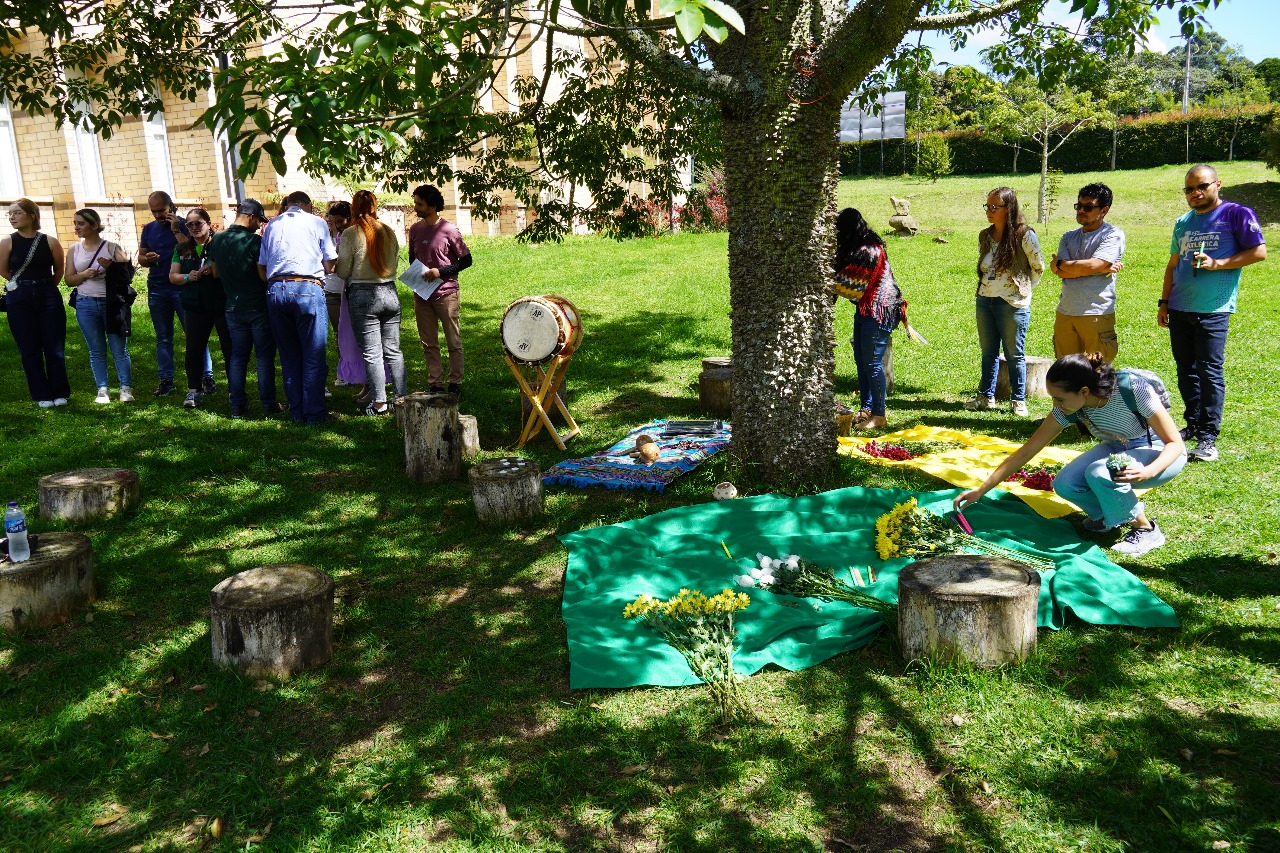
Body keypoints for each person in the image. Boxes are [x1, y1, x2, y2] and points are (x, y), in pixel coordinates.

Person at [955, 353, 1187, 557]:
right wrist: (981, 490)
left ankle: (1146, 530)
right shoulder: (1071, 407)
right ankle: (1109, 516)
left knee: (1098, 473)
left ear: (1084, 391)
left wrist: (1149, 471)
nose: (1056, 404)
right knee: (1065, 483)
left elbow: (1175, 443)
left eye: (1059, 398)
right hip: (1118, 446)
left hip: (1160, 453)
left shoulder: (1132, 389)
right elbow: (1027, 450)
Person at [1159, 164, 1267, 463]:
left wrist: (1218, 264)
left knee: (1209, 371)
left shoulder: (1236, 214)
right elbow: (1172, 266)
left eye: (1202, 186)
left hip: (1213, 309)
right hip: (1180, 306)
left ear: (1218, 184)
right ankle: (1193, 423)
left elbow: (1259, 252)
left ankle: (1208, 437)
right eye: (1189, 189)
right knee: (1186, 370)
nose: (1195, 193)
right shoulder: (1183, 221)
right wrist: (1164, 302)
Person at [257, 190, 336, 425]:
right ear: (307, 205)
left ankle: (297, 412)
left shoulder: (271, 225)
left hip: (275, 289)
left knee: (289, 355)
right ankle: (315, 414)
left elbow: (261, 267)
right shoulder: (317, 222)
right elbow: (330, 264)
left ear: (288, 205)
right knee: (313, 354)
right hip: (307, 288)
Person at [966, 187, 1043, 417]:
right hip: (985, 300)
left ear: (1008, 209)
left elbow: (1038, 266)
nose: (989, 211)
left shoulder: (1024, 235)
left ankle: (1017, 400)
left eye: (994, 207)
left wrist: (1024, 291)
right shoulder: (985, 235)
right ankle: (985, 397)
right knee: (988, 352)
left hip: (1012, 303)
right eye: (987, 206)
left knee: (1014, 354)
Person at [208, 198, 285, 419]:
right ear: (251, 217)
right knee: (264, 358)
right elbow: (265, 274)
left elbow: (215, 273)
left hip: (232, 307)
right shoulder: (254, 242)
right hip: (258, 306)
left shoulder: (217, 239)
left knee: (238, 358)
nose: (260, 226)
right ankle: (268, 405)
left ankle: (237, 407)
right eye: (259, 221)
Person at [832, 207, 905, 431]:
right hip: (867, 308)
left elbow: (849, 286)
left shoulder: (869, 250)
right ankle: (867, 408)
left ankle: (879, 416)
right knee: (862, 361)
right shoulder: (860, 246)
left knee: (872, 363)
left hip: (880, 309)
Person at [336, 190, 407, 416]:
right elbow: (394, 262)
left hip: (362, 295)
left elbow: (343, 270)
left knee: (372, 352)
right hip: (389, 290)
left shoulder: (350, 234)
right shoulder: (388, 231)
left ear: (354, 209)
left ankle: (379, 402)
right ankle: (401, 398)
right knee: (394, 350)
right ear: (375, 207)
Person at [137, 190, 212, 397]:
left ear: (171, 206)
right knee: (163, 337)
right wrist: (148, 259)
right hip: (158, 287)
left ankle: (206, 376)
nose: (158, 215)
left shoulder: (188, 225)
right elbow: (141, 257)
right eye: (154, 212)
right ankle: (166, 380)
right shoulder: (149, 230)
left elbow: (191, 251)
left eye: (161, 210)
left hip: (183, 288)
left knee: (195, 335)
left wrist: (176, 229)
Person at [0, 199, 69, 407]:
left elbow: (58, 270)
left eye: (17, 213)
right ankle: (41, 394)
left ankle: (60, 392)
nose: (12, 217)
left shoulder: (50, 241)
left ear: (32, 216)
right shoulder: (7, 242)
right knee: (28, 347)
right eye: (9, 214)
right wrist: (21, 286)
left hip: (48, 296)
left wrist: (45, 287)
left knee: (54, 347)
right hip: (19, 299)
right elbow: (3, 270)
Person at [407, 184, 472, 395]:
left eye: (420, 203)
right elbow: (412, 257)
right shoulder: (415, 230)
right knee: (428, 342)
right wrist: (415, 275)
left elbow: (466, 260)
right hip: (422, 293)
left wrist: (440, 271)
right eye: (415, 202)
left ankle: (456, 383)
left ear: (433, 206)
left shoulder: (449, 230)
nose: (416, 207)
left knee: (453, 339)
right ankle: (435, 383)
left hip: (446, 292)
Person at [1049, 182, 1125, 361]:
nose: (1081, 211)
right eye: (1079, 206)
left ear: (1104, 210)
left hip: (1096, 312)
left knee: (1097, 374)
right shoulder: (1068, 237)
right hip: (1065, 312)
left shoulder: (1112, 235)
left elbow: (1087, 266)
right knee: (1065, 373)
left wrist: (1063, 264)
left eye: (1088, 207)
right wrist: (1099, 268)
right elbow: (1058, 271)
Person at [65, 208, 134, 403]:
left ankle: (125, 388)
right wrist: (84, 275)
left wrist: (111, 267)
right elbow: (69, 280)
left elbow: (128, 277)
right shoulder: (74, 249)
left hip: (111, 304)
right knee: (96, 349)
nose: (76, 227)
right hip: (85, 303)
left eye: (81, 223)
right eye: (75, 223)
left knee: (119, 349)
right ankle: (103, 389)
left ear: (94, 225)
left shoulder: (112, 248)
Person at [169, 208, 231, 409]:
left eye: (198, 223)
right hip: (194, 305)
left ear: (209, 223)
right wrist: (189, 277)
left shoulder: (219, 244)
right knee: (194, 348)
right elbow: (173, 276)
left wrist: (213, 269)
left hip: (220, 303)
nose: (194, 227)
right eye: (189, 224)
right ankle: (194, 390)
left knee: (229, 348)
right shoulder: (181, 249)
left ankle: (235, 390)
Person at [323, 201, 355, 390]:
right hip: (332, 290)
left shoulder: (351, 236)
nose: (336, 224)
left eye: (340, 220)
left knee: (356, 333)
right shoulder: (325, 236)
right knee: (339, 333)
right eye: (333, 220)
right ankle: (344, 372)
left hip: (351, 288)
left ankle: (357, 371)